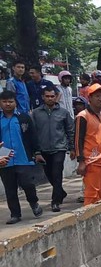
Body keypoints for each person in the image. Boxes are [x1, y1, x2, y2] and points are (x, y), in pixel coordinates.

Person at [0, 90, 44, 224]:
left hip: (23, 157)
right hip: (4, 160)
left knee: (28, 184)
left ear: (15, 102)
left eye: (10, 101)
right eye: (4, 101)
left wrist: (37, 152)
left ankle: (34, 202)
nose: (8, 104)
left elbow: (33, 136)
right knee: (10, 188)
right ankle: (15, 214)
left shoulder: (23, 117)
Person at [31, 87, 75, 212]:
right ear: (43, 97)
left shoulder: (63, 112)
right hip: (43, 149)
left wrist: (72, 148)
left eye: (52, 96)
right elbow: (33, 133)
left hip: (59, 148)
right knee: (49, 174)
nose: (50, 98)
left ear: (56, 97)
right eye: (47, 96)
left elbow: (70, 131)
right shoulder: (36, 113)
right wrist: (36, 151)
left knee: (57, 173)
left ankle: (55, 201)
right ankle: (60, 192)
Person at [75, 84, 101, 205]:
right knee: (92, 195)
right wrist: (81, 161)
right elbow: (78, 140)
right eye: (97, 96)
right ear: (89, 98)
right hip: (92, 161)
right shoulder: (83, 116)